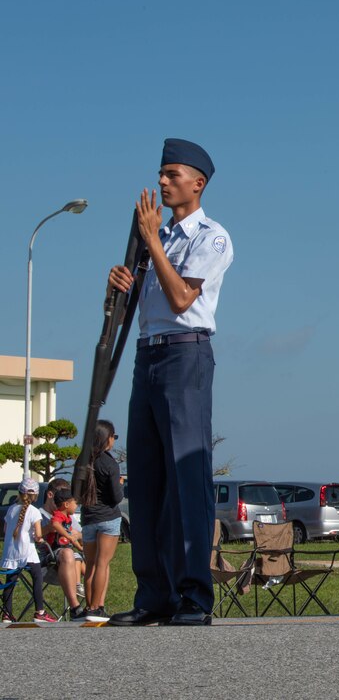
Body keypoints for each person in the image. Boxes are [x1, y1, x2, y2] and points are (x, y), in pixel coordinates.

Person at [107, 138, 234, 627]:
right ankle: (153, 595)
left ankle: (193, 596)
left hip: (186, 353)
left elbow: (182, 298)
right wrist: (121, 283)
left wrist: (153, 240)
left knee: (186, 477)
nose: (162, 181)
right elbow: (131, 311)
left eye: (172, 174)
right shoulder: (152, 237)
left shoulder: (211, 236)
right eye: (160, 173)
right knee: (145, 478)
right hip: (149, 354)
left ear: (197, 183)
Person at [77, 420, 125, 622]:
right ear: (107, 439)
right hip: (108, 518)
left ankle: (89, 606)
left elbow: (76, 491)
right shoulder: (109, 463)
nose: (114, 441)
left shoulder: (83, 460)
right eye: (113, 437)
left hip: (88, 517)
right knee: (103, 564)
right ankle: (97, 608)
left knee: (90, 564)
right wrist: (120, 483)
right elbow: (116, 497)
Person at [1, 478, 54, 623]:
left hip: (11, 553)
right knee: (37, 578)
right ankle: (40, 612)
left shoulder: (11, 509)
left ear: (19, 493)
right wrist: (42, 537)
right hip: (27, 553)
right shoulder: (34, 512)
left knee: (10, 583)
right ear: (36, 496)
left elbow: (6, 530)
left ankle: (6, 613)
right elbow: (38, 536)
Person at [47, 488, 83, 616]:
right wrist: (69, 537)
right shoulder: (59, 515)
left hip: (68, 550)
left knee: (89, 565)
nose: (77, 505)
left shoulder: (67, 519)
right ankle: (76, 604)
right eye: (75, 502)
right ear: (66, 504)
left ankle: (91, 601)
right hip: (56, 550)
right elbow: (55, 525)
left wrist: (80, 547)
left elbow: (73, 539)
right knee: (69, 553)